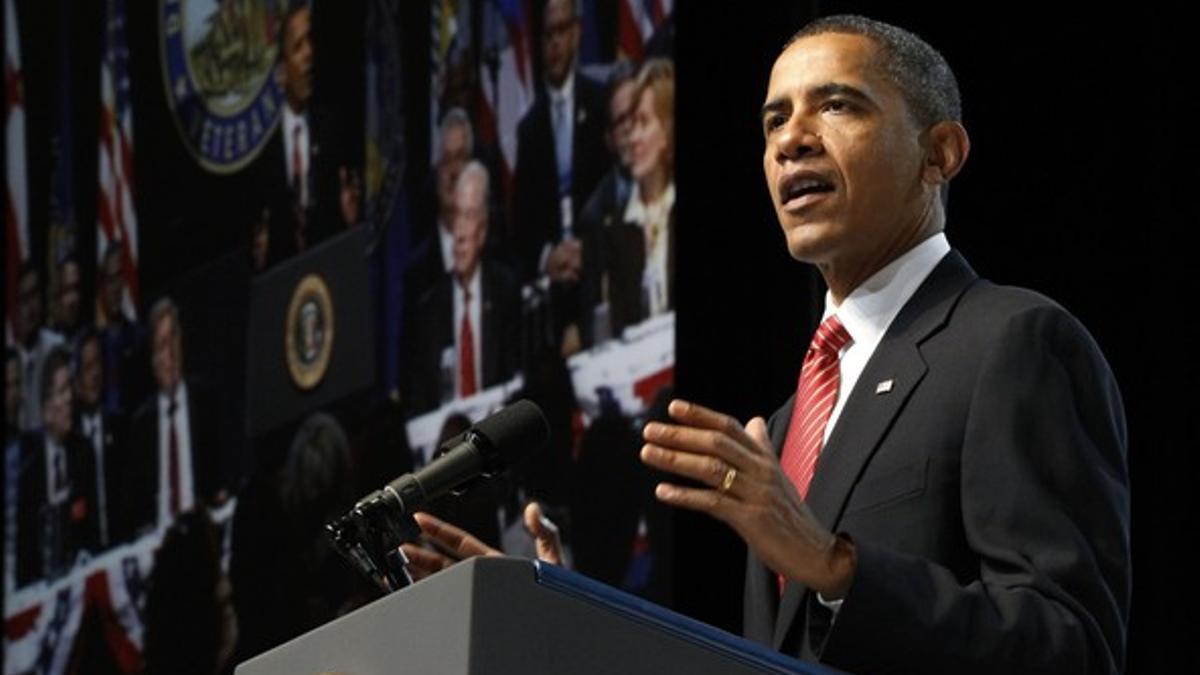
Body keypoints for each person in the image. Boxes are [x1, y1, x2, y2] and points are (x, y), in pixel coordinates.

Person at [637, 15, 1130, 674]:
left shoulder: (1012, 342)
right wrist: (561, 612)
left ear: (939, 154)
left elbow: (1071, 646)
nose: (792, 141)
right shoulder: (786, 424)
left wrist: (836, 566)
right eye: (773, 121)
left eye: (836, 105)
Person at [512, 0, 608, 347]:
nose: (553, 43)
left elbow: (614, 187)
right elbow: (521, 221)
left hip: (599, 260)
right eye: (547, 34)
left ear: (577, 33)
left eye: (561, 31)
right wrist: (547, 257)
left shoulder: (600, 102)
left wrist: (590, 245)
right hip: (553, 282)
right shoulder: (529, 128)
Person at [407, 161, 521, 413]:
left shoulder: (504, 290)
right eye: (456, 215)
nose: (458, 233)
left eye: (468, 217)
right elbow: (419, 402)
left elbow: (515, 381)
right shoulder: (430, 309)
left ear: (483, 231)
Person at [261, 2, 361, 265]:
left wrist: (350, 217)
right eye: (298, 47)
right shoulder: (265, 146)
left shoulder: (332, 127)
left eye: (310, 42)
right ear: (281, 72)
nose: (309, 54)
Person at [125, 299, 224, 537]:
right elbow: (134, 508)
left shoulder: (204, 401)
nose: (169, 354)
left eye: (173, 340)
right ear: (152, 360)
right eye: (161, 346)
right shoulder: (141, 425)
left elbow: (221, 479)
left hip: (203, 533)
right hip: (159, 544)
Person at [601, 58, 676, 339]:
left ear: (668, 132)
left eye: (643, 123)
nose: (632, 138)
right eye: (630, 126)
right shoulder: (616, 227)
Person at [14, 347, 97, 585]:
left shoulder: (84, 453)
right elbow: (24, 561)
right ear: (45, 409)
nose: (70, 398)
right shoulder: (28, 476)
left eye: (70, 387)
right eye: (61, 391)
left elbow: (91, 534)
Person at [576, 60, 638, 346]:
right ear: (609, 139)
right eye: (619, 122)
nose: (629, 130)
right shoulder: (594, 214)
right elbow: (595, 312)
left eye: (635, 117)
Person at [73, 327, 126, 548]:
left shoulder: (120, 425)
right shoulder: (70, 441)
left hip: (119, 544)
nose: (95, 374)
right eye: (87, 368)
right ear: (75, 381)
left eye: (97, 364)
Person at [14, 262, 65, 432]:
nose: (30, 307)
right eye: (24, 299)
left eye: (34, 295)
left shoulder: (57, 347)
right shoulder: (10, 354)